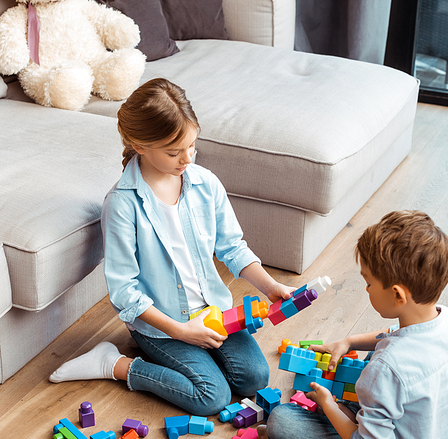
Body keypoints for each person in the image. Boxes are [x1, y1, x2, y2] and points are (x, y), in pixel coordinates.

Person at [50, 78, 295, 415]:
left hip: (213, 313)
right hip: (162, 325)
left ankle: (193, 359)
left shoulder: (204, 183)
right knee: (212, 397)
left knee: (254, 378)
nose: (186, 158)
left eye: (192, 146)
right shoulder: (122, 205)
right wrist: (182, 332)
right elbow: (124, 291)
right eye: (173, 151)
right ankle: (115, 364)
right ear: (139, 145)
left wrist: (272, 287)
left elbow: (232, 248)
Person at [258, 210, 448, 439]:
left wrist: (329, 403)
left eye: (369, 283)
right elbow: (393, 334)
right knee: (368, 380)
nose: (366, 288)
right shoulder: (445, 319)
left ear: (397, 295)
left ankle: (320, 437)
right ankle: (346, 413)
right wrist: (348, 342)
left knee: (280, 422)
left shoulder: (387, 368)